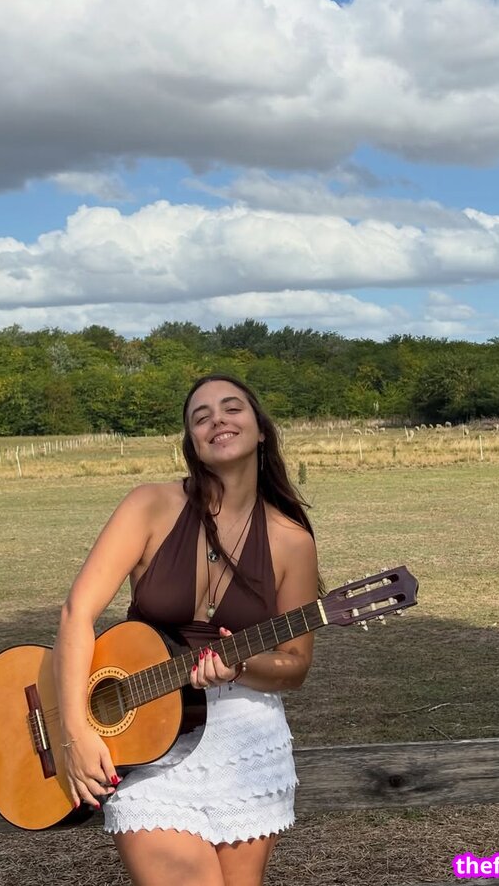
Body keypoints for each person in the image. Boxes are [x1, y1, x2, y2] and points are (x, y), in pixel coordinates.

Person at [52, 374, 320, 886]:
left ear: (261, 429)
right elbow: (75, 615)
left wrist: (241, 665)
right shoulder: (149, 506)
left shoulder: (292, 541)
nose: (218, 420)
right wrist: (75, 733)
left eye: (232, 408)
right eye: (202, 416)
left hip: (245, 742)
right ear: (192, 442)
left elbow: (295, 665)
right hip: (144, 740)